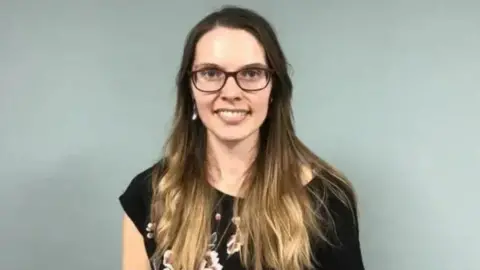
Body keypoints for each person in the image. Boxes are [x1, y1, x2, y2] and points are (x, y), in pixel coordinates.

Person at [119, 5, 365, 270]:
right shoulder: (149, 194)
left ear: (274, 89)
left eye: (250, 73)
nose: (231, 92)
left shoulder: (327, 200)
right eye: (211, 73)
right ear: (190, 88)